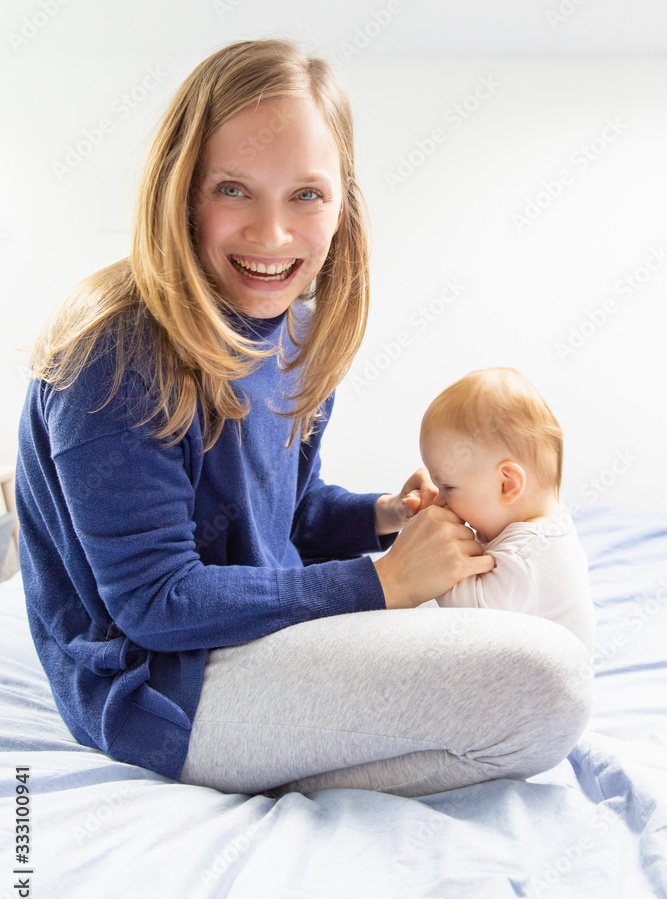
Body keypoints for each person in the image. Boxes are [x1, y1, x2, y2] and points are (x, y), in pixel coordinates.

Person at [14, 39, 592, 800]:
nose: (271, 235)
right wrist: (378, 582)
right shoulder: (113, 356)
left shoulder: (296, 331)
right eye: (233, 189)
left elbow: (291, 512)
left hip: (263, 634)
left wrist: (382, 517)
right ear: (181, 191)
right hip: (163, 687)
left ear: (341, 201)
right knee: (548, 685)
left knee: (519, 648)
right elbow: (157, 603)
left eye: (306, 195)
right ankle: (295, 785)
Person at [419, 368, 596, 655]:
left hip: (538, 694)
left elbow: (473, 620)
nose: (441, 501)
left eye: (449, 487)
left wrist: (431, 559)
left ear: (507, 484)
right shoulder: (544, 526)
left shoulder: (525, 554)